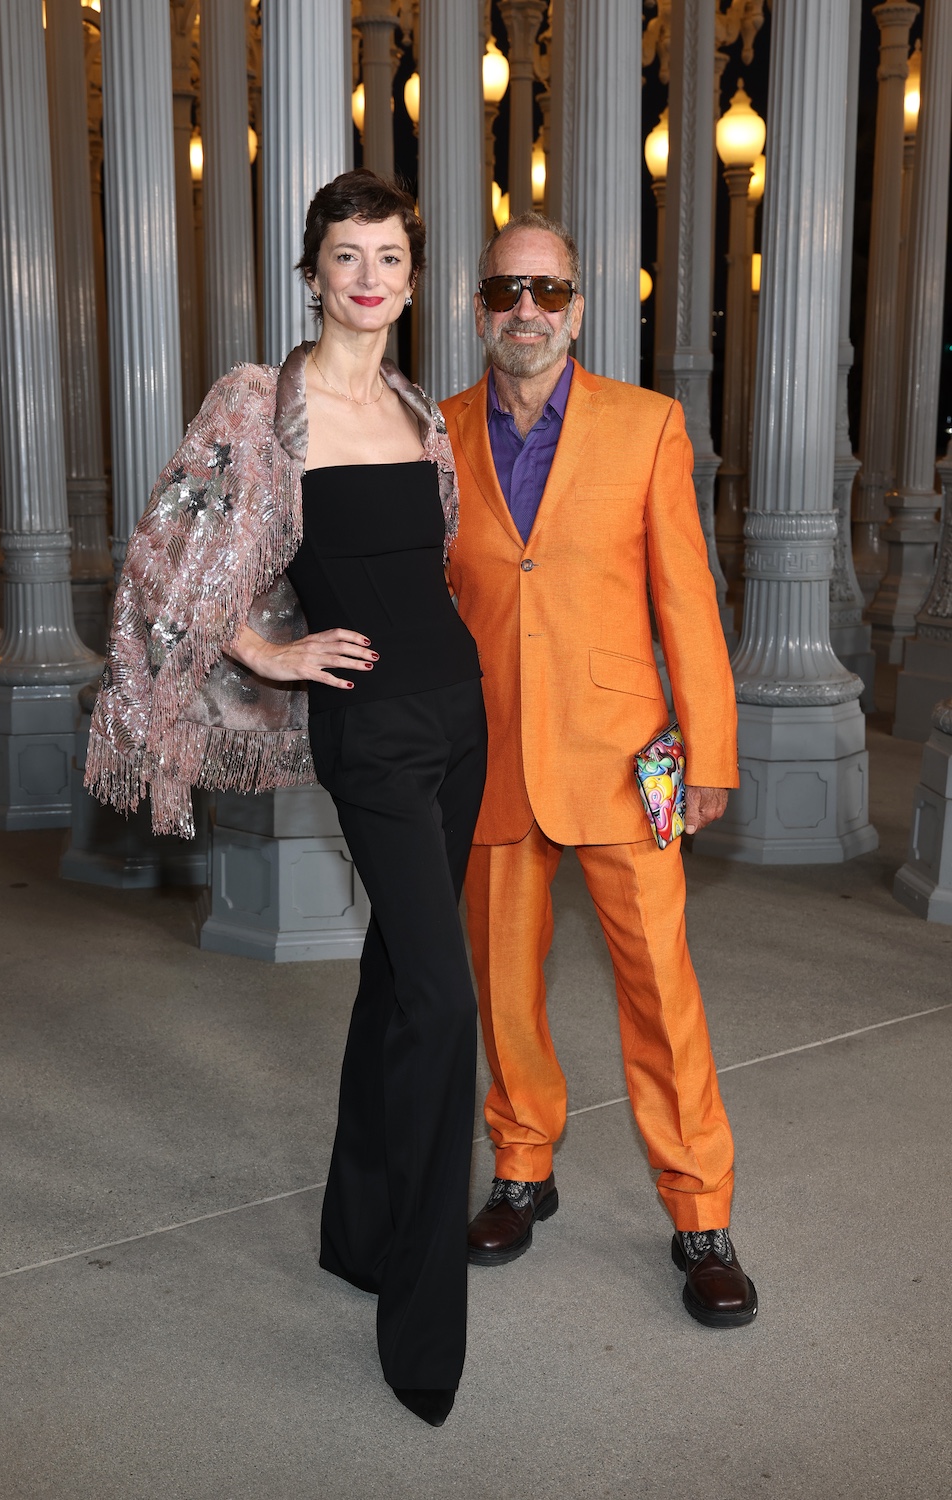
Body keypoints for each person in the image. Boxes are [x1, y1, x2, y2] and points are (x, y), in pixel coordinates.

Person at [86, 170, 486, 1425]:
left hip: (460, 717)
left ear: (413, 282)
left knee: (398, 978)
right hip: (371, 733)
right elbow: (162, 551)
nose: (368, 278)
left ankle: (354, 1233)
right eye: (345, 257)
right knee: (443, 1001)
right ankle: (420, 1326)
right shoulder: (262, 403)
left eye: (389, 258)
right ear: (311, 275)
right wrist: (263, 651)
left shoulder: (418, 409)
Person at [441, 212, 758, 1328]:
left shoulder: (647, 424)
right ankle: (521, 1166)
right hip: (488, 754)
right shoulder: (437, 433)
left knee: (661, 991)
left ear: (577, 310)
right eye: (504, 291)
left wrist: (708, 749)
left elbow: (687, 600)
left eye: (547, 291)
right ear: (478, 309)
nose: (524, 310)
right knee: (502, 986)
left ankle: (700, 1213)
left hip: (630, 759)